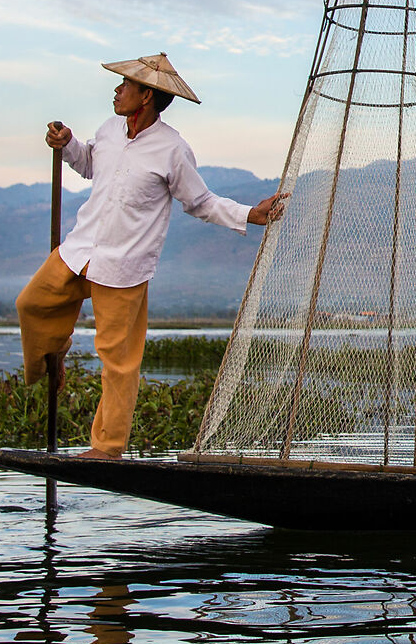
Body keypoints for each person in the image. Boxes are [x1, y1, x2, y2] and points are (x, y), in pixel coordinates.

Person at [19, 53, 286, 456]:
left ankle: (107, 448)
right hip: (80, 249)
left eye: (125, 85)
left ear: (146, 96)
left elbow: (200, 201)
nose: (117, 89)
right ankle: (52, 359)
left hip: (124, 265)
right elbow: (91, 163)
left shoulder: (172, 149)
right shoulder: (109, 130)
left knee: (118, 361)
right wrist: (68, 144)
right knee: (32, 303)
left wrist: (250, 214)